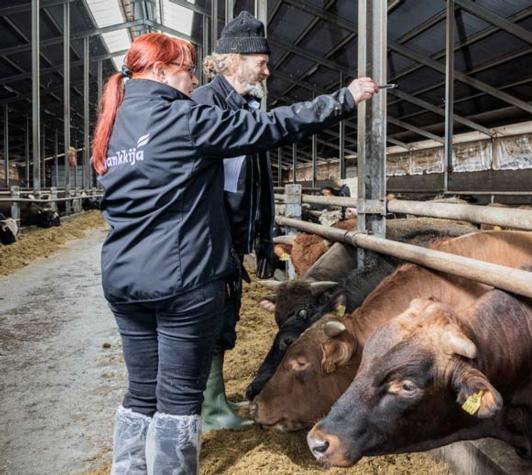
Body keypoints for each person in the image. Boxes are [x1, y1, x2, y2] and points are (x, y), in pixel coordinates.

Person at [92, 33, 377, 474]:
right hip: (181, 281)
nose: (193, 80)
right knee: (177, 400)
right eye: (187, 71)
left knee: (141, 393)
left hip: (124, 279)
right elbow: (271, 128)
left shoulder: (114, 123)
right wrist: (344, 98)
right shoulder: (184, 118)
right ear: (162, 71)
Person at [189, 11, 278, 432]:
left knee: (225, 315)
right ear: (235, 59)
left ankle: (216, 400)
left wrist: (260, 236)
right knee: (210, 318)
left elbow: (254, 182)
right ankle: (209, 411)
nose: (266, 70)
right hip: (209, 239)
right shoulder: (206, 104)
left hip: (229, 238)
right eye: (261, 61)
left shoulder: (243, 106)